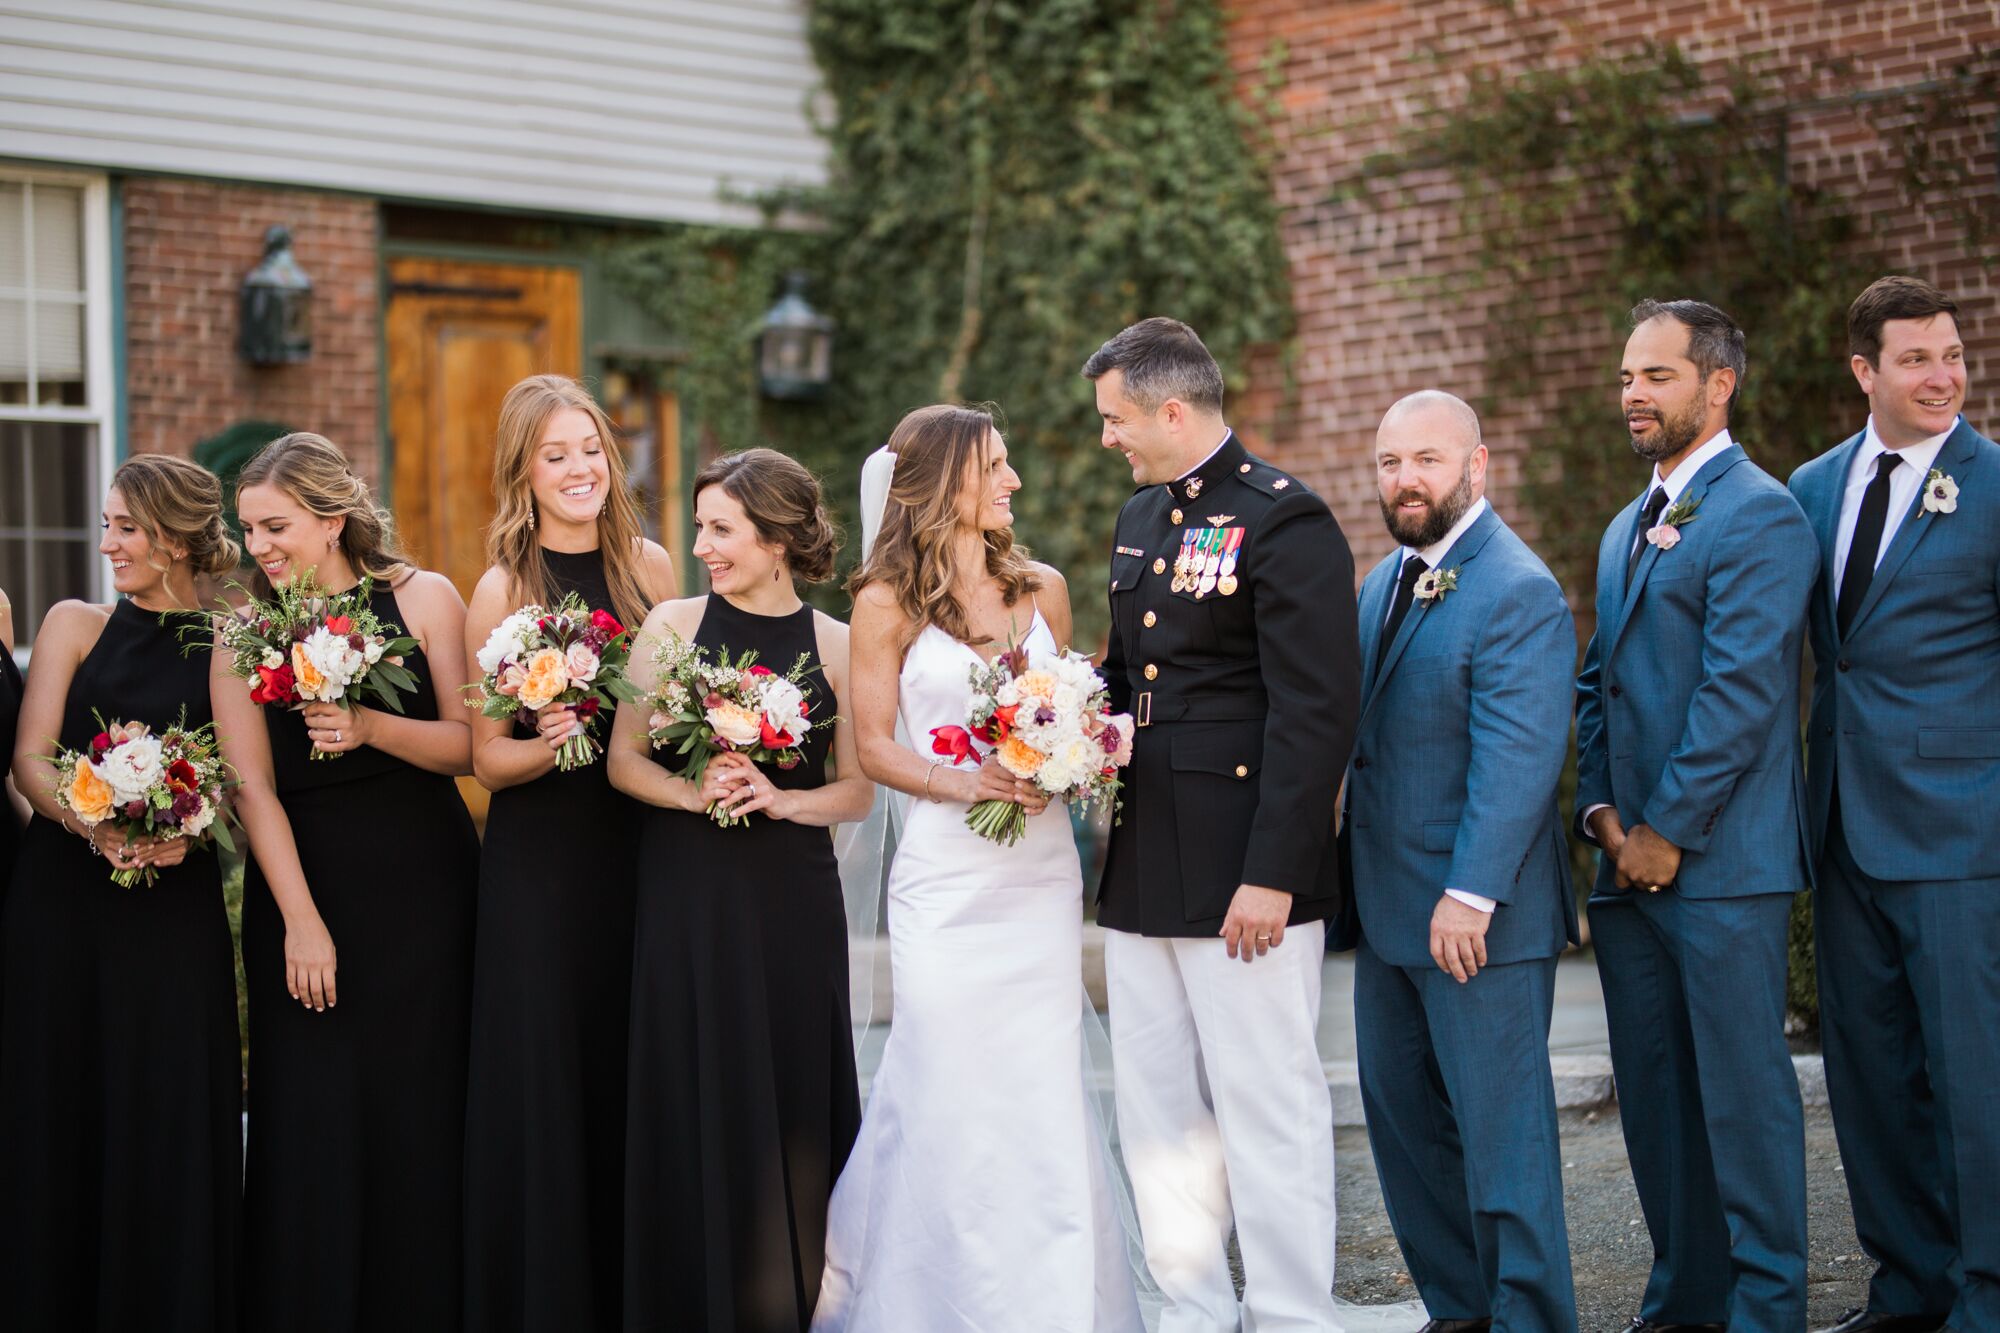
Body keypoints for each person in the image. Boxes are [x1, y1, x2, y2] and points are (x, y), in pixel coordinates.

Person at [814, 405, 1144, 1333]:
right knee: (950, 1078)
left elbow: (1076, 703)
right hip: (946, 883)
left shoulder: (1044, 588)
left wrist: (1076, 753)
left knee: (1040, 1088)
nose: (1014, 482)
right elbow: (875, 748)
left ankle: (1051, 1303)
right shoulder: (884, 603)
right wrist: (971, 780)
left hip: (1038, 875)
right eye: (995, 467)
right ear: (944, 481)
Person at [1086, 317, 1358, 1333]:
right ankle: (1192, 1312)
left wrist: (1275, 871)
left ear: (1169, 408)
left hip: (1248, 866)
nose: (1108, 437)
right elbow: (1124, 676)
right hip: (1145, 858)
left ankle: (1292, 1315)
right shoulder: (1138, 519)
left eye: (1115, 419)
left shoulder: (1284, 521)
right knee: (1156, 1110)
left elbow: (1315, 709)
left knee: (1266, 1105)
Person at [1575, 299, 1815, 1333]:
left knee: (1742, 1100)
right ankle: (1686, 1300)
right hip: (1626, 863)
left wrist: (1664, 830)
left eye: (1656, 376)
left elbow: (1739, 692)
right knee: (1659, 1102)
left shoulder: (1758, 512)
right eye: (1628, 375)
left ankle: (1766, 1307)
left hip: (1719, 866)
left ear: (1716, 386)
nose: (1632, 392)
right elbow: (1595, 686)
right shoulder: (1628, 523)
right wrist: (1599, 816)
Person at [218, 432, 479, 1333]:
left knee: (422, 1114)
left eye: (275, 525)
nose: (259, 546)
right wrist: (299, 921)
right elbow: (252, 788)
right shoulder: (243, 631)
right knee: (314, 1122)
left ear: (332, 520)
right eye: (248, 529)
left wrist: (369, 725)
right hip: (307, 895)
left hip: (427, 896)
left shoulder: (426, 598)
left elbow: (470, 749)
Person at [610, 448, 872, 1332]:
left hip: (791, 898)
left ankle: (786, 1300)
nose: (703, 546)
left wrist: (783, 797)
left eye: (722, 529)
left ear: (779, 537)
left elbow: (860, 789)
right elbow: (622, 760)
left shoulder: (836, 644)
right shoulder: (674, 626)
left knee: (790, 1085)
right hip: (689, 894)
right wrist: (694, 791)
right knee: (692, 1082)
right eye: (702, 526)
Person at [1788, 275, 2000, 1333]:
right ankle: (1906, 1286)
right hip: (1839, 824)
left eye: (1951, 353)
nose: (1943, 374)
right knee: (1868, 1074)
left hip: (1961, 827)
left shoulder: (1993, 483)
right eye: (1915, 357)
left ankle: (1985, 1292)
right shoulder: (1811, 487)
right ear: (1862, 369)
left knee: (1973, 1081)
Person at [1345, 391, 1579, 1333]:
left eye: (1428, 460)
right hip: (1386, 910)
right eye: (1391, 462)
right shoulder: (1382, 583)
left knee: (1501, 1137)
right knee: (1406, 1130)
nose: (1407, 479)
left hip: (1476, 917)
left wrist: (1469, 894)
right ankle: (1460, 1309)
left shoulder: (1516, 588)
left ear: (1477, 466)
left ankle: (1530, 1317)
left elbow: (1518, 761)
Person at [0, 455, 243, 1330]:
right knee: (58, 1114)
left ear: (177, 537)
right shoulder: (74, 622)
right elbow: (31, 759)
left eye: (126, 528)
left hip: (172, 920)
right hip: (63, 907)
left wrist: (190, 819)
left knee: (165, 1112)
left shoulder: (229, 635)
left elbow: (247, 779)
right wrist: (93, 821)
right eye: (105, 524)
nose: (108, 543)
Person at [461, 375, 675, 1333]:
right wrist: (550, 736)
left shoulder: (655, 569)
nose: (581, 467)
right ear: (525, 470)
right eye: (556, 455)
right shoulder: (502, 588)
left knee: (634, 1066)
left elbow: (678, 712)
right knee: (550, 1075)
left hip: (640, 853)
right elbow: (485, 760)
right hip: (540, 871)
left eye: (590, 447)